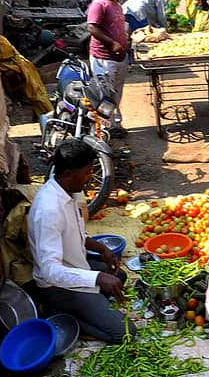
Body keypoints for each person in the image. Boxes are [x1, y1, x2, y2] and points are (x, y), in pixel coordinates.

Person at [26, 139, 135, 344]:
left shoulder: (69, 191)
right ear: (68, 173)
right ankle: (63, 314)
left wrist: (102, 249)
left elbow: (75, 234)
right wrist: (96, 278)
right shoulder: (49, 210)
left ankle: (89, 305)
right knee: (126, 333)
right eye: (86, 173)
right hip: (57, 286)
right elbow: (50, 271)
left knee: (118, 275)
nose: (90, 178)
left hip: (75, 265)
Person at [86, 0, 130, 137]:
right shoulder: (99, 4)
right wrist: (112, 43)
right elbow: (91, 27)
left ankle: (115, 124)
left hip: (119, 58)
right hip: (103, 58)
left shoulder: (117, 5)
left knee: (117, 92)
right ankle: (104, 128)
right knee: (105, 94)